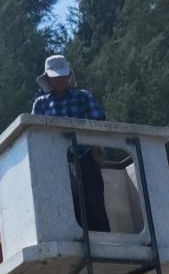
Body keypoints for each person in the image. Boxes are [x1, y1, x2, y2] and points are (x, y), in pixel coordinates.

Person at [31, 54, 110, 232]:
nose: (59, 80)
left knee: (94, 202)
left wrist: (97, 150)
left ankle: (103, 242)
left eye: (62, 76)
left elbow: (98, 123)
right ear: (48, 79)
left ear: (69, 77)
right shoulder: (41, 104)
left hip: (85, 157)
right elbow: (36, 136)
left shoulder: (83, 97)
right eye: (55, 77)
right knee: (66, 205)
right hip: (55, 163)